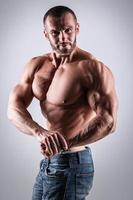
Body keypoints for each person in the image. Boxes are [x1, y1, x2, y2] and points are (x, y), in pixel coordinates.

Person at [7, 5, 118, 200]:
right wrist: (40, 132)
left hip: (73, 162)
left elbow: (109, 121)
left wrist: (64, 145)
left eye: (68, 30)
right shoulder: (36, 65)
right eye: (55, 32)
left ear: (77, 28)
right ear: (46, 34)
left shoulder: (92, 69)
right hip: (48, 163)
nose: (63, 37)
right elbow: (13, 108)